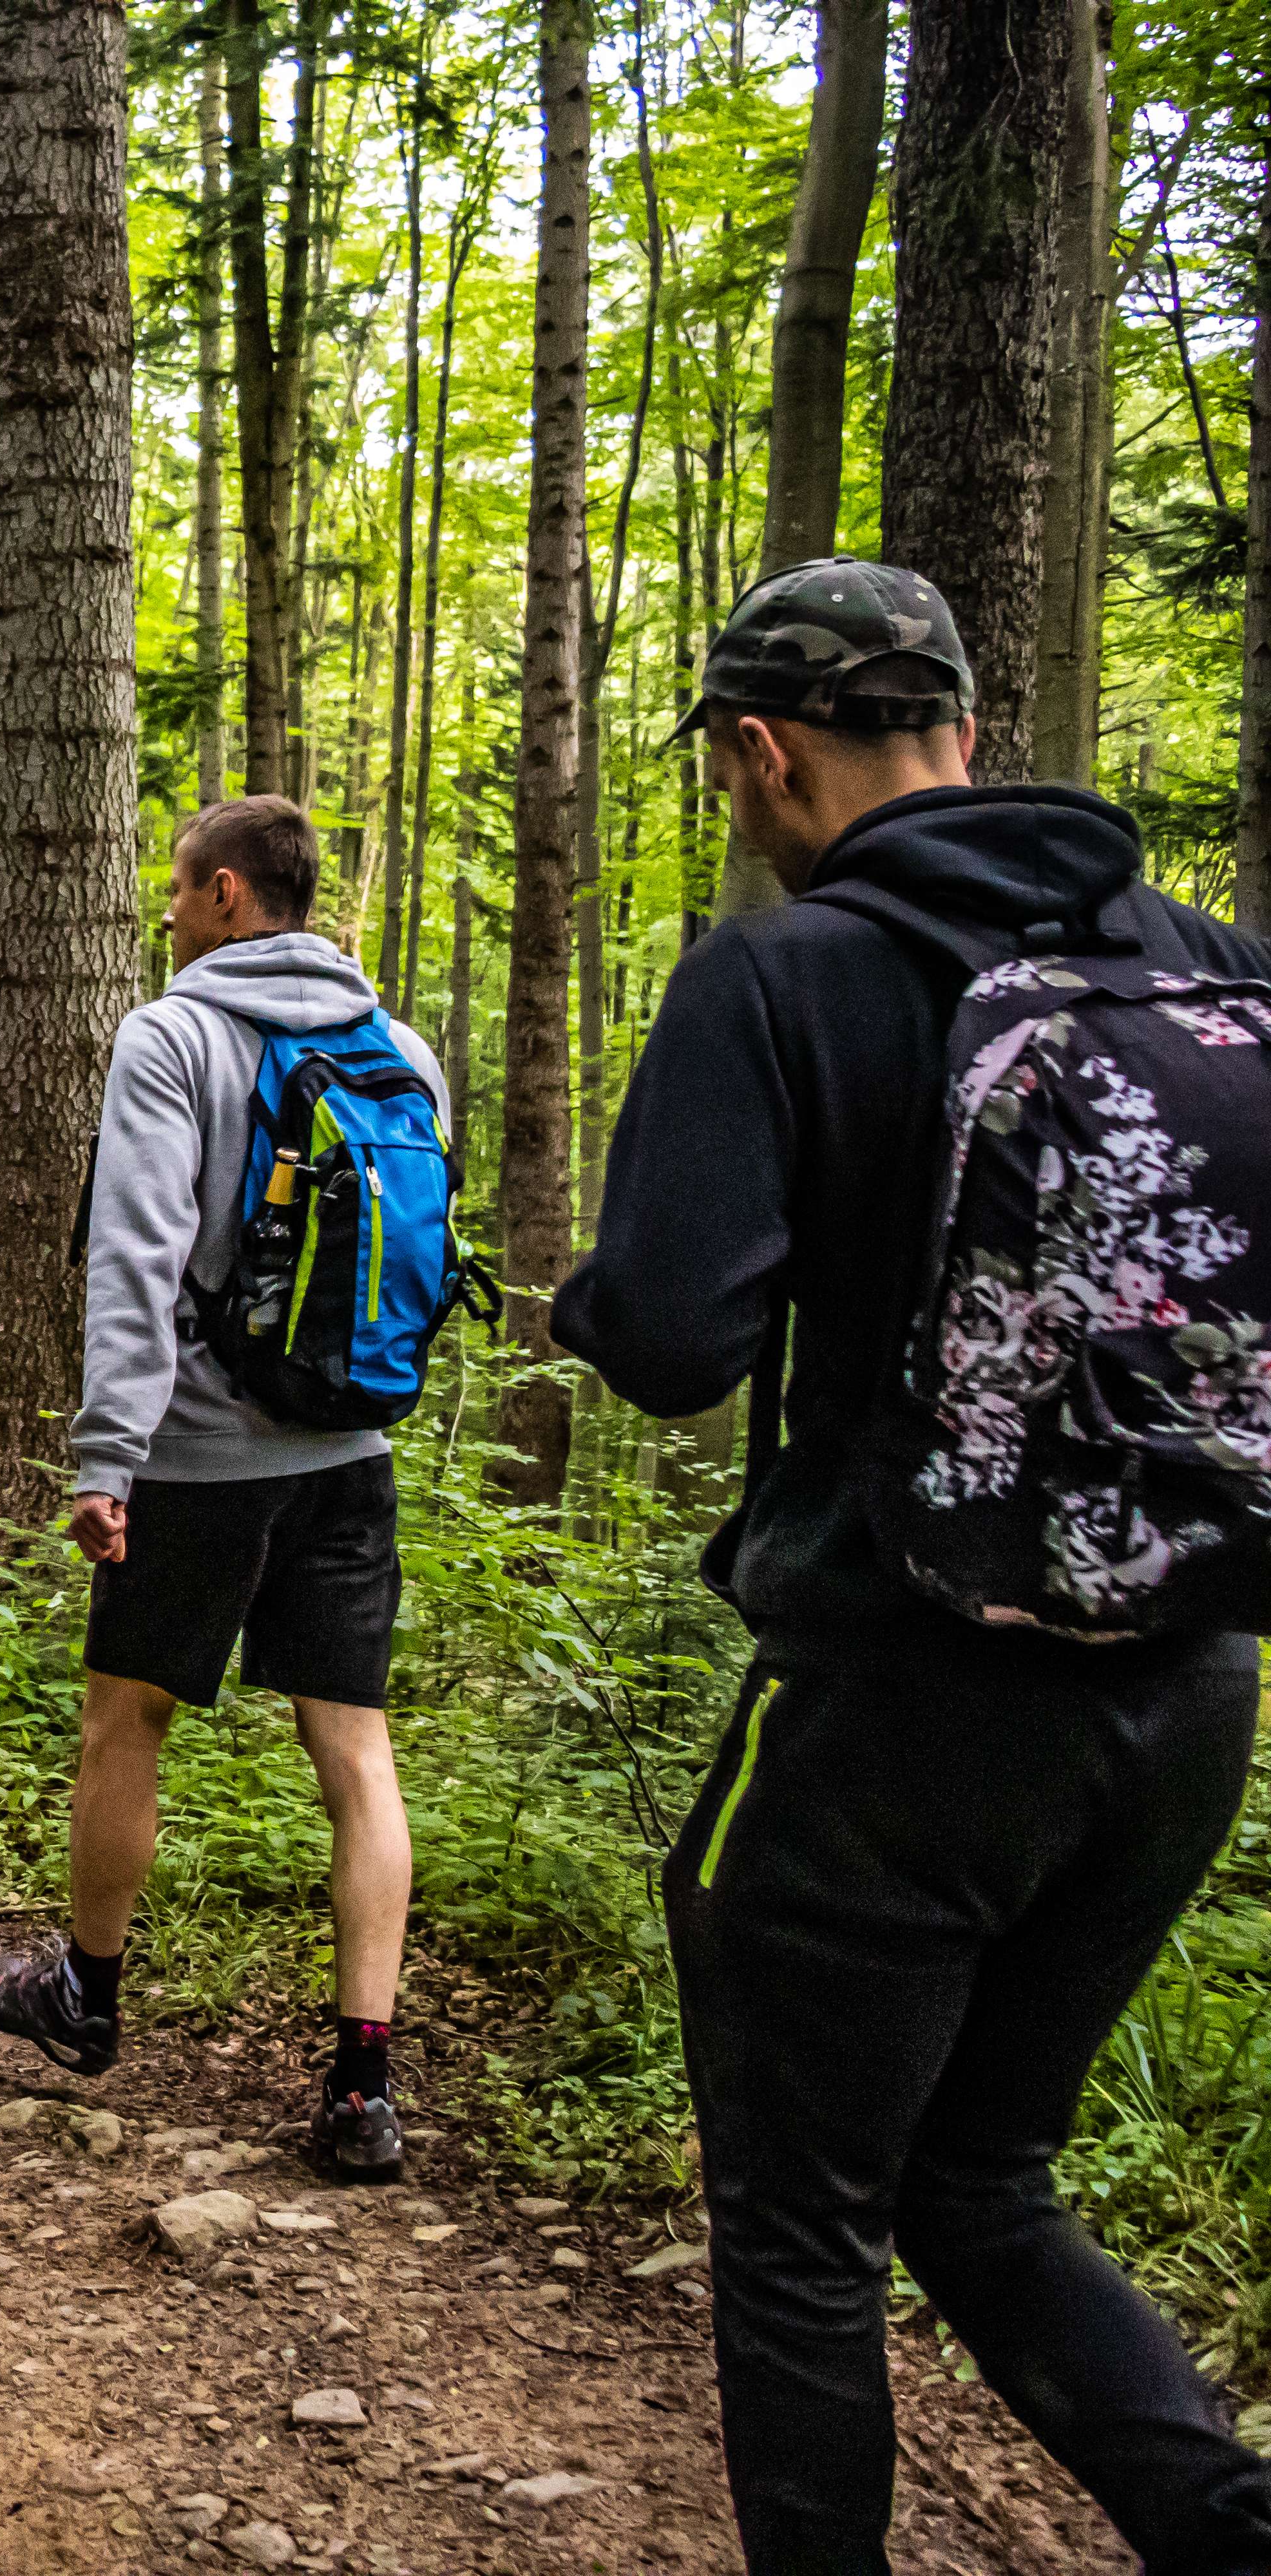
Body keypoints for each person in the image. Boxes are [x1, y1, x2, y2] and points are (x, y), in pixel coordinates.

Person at [556, 558, 1271, 2573]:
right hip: (1180, 1682)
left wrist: (587, 1300)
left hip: (896, 1699)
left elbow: (673, 1336)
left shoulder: (778, 974)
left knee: (801, 2229)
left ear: (760, 752)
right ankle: (1220, 2523)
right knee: (985, 2175)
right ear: (960, 722)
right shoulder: (1201, 956)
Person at [0, 793, 444, 2184]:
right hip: (353, 1447)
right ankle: (362, 2083)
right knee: (357, 1753)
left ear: (230, 893)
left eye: (178, 889)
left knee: (128, 1717)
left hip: (201, 1452)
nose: (166, 911)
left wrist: (107, 1453)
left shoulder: (171, 1035)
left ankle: (87, 1994)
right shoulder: (397, 1045)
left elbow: (138, 1252)